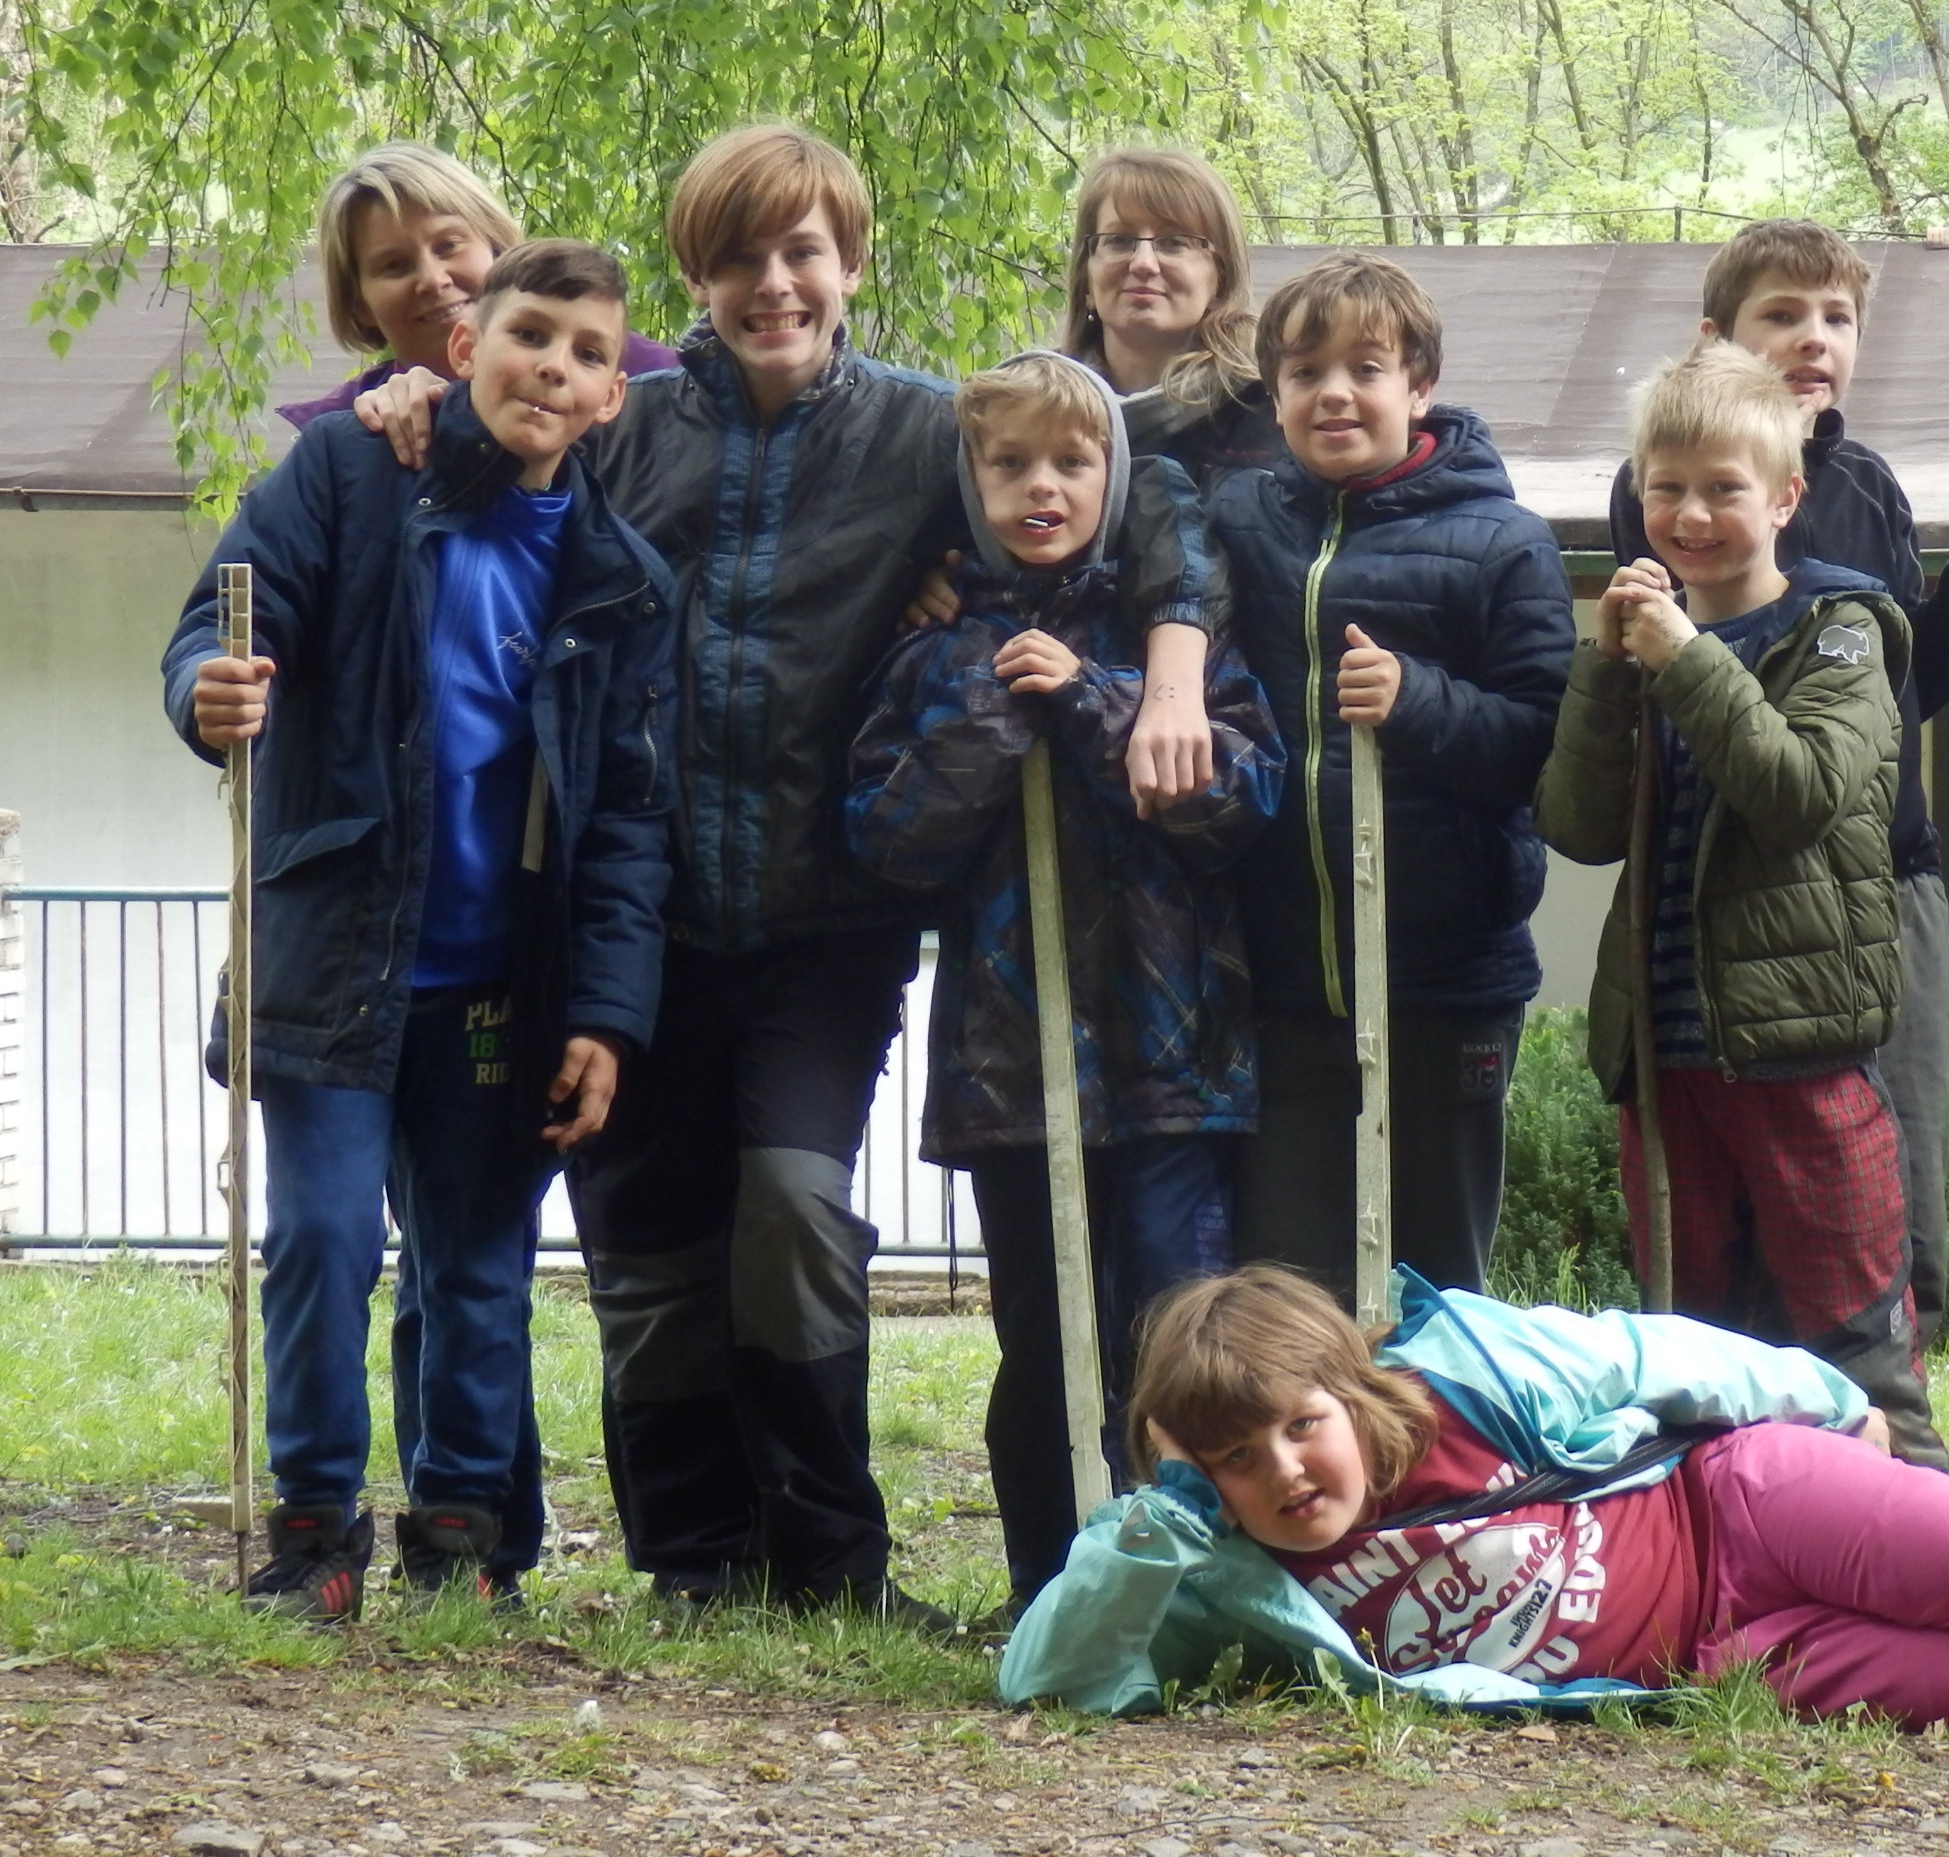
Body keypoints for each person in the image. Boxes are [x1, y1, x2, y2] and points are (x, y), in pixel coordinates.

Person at [355, 123, 1224, 1618]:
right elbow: (474, 462)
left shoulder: (922, 433)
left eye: (804, 253)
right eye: (740, 257)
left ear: (851, 265)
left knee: (793, 1212)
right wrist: (413, 396)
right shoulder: (625, 426)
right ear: (695, 277)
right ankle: (696, 1560)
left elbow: (1130, 517)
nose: (775, 285)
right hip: (634, 917)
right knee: (651, 1248)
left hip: (829, 922)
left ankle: (830, 1562)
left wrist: (1173, 675)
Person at [162, 238, 677, 1615]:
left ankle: (460, 1539)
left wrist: (605, 1015)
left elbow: (630, 823)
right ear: (465, 349)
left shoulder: (626, 583)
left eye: (587, 354)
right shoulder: (348, 475)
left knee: (477, 1270)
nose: (552, 368)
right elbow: (218, 622)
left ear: (610, 398)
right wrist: (209, 687)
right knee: (323, 1240)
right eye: (530, 336)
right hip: (334, 954)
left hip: (502, 985)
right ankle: (313, 1534)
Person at [843, 350, 1285, 1612]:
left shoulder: (1177, 648)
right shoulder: (932, 652)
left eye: (1072, 463)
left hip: (1171, 1062)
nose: (1042, 486)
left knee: (1178, 1334)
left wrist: (1093, 700)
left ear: (1114, 478)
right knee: (1041, 1344)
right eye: (1011, 464)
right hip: (1012, 1071)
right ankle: (1050, 1591)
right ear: (971, 483)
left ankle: (1193, 1589)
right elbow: (886, 841)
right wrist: (994, 712)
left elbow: (1241, 803)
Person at [1001, 1265, 1949, 1733]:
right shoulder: (1223, 1568)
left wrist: (1834, 1401)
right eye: (1236, 1460)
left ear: (1349, 1395)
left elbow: (1649, 1353)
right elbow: (1047, 1678)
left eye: (1301, 1427)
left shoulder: (1468, 1375)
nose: (1285, 1472)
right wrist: (1166, 1515)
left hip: (1734, 1504)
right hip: (1719, 1658)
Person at [1604, 219, 1949, 1340]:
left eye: (1837, 319)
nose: (1815, 338)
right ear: (1716, 339)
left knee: (1888, 1180)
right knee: (1738, 1221)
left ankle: (1880, 1388)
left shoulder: (1865, 484)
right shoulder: (1664, 493)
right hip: (1734, 891)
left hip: (1881, 873)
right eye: (1782, 315)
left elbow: (1909, 687)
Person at [1542, 343, 1939, 1460]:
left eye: (1723, 487)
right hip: (1665, 1058)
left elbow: (1799, 793)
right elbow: (1576, 826)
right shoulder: (1646, 644)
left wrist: (1683, 659)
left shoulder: (1845, 628)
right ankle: (1736, 1558)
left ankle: (1928, 1539)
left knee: (1856, 1357)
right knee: (1698, 1362)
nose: (1691, 514)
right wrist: (1605, 675)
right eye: (1665, 487)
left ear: (1784, 499)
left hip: (1803, 1055)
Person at [1208, 253, 1573, 1299]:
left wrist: (1419, 702)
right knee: (1288, 1294)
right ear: (1274, 393)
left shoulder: (1503, 543)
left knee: (1434, 1291)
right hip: (1285, 988)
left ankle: (1437, 1421)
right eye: (1304, 372)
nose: (1334, 393)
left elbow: (1542, 750)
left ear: (1419, 387)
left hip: (1445, 988)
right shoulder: (1235, 524)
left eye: (1365, 368)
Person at [275, 143, 678, 432]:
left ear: (496, 247)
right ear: (359, 303)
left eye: (449, 245)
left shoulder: (658, 385)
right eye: (394, 266)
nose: (433, 280)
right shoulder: (346, 439)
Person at [1061, 146, 1284, 485]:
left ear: (1221, 277)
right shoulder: (1029, 413)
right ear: (1086, 277)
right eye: (1119, 240)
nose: (1143, 263)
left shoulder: (1275, 412)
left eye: (1174, 242)